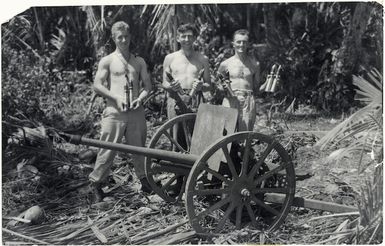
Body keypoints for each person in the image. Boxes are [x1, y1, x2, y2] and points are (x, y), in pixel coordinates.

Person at [90, 21, 152, 202]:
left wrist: (139, 99)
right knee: (107, 149)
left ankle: (145, 182)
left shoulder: (139, 61)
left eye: (126, 36)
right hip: (114, 112)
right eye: (120, 37)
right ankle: (96, 184)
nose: (124, 40)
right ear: (114, 38)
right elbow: (97, 85)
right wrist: (116, 98)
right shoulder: (107, 60)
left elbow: (148, 86)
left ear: (130, 36)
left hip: (135, 112)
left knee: (139, 149)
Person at [162, 23, 211, 119]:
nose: (187, 40)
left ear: (194, 38)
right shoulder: (170, 58)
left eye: (190, 36)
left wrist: (201, 86)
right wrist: (172, 87)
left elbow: (209, 85)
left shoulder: (203, 59)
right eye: (183, 36)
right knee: (176, 132)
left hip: (196, 100)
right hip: (175, 98)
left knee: (196, 132)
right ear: (178, 38)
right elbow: (164, 84)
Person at [217, 29, 260, 131]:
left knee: (245, 136)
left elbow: (257, 89)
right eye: (238, 42)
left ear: (248, 44)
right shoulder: (225, 64)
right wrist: (222, 88)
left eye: (244, 42)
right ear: (233, 44)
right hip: (230, 99)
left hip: (248, 101)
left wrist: (269, 83)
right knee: (226, 134)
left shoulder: (255, 64)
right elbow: (218, 86)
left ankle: (245, 147)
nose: (241, 44)